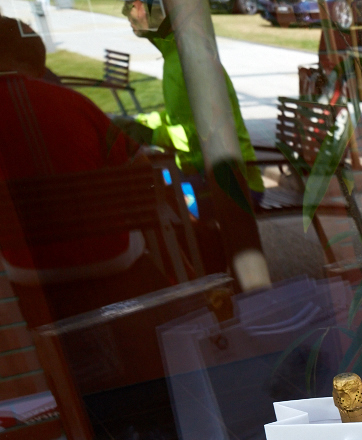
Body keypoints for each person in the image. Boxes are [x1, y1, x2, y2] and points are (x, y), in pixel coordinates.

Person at [0, 16, 171, 326]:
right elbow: (140, 171)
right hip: (112, 257)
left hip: (23, 273)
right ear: (37, 67)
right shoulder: (73, 102)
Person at [123, 0, 263, 200]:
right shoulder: (176, 56)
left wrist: (149, 134)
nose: (126, 12)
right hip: (204, 174)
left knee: (148, 197)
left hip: (235, 186)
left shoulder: (190, 59)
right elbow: (181, 117)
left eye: (133, 4)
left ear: (161, 10)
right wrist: (139, 122)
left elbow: (202, 134)